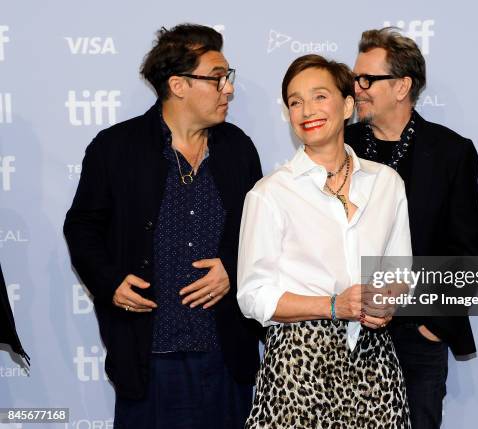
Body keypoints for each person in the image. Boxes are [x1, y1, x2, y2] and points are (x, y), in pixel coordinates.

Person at [64, 24, 262, 429]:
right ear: (179, 84)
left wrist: (232, 265)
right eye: (217, 78)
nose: (229, 89)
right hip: (149, 358)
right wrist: (110, 280)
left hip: (225, 354)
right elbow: (81, 227)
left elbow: (261, 231)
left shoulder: (238, 148)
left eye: (229, 78)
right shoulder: (115, 147)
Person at [237, 54, 411, 428]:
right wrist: (334, 305)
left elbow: (401, 271)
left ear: (347, 105)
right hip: (298, 366)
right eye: (295, 102)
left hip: (373, 362)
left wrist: (386, 300)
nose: (306, 110)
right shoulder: (270, 194)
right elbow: (253, 296)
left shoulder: (386, 183)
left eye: (319, 97)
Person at [345, 28, 478, 429]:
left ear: (403, 85)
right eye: (356, 78)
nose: (357, 88)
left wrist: (431, 326)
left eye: (368, 79)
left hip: (414, 334)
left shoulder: (451, 152)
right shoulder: (340, 144)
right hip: (345, 330)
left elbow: (462, 252)